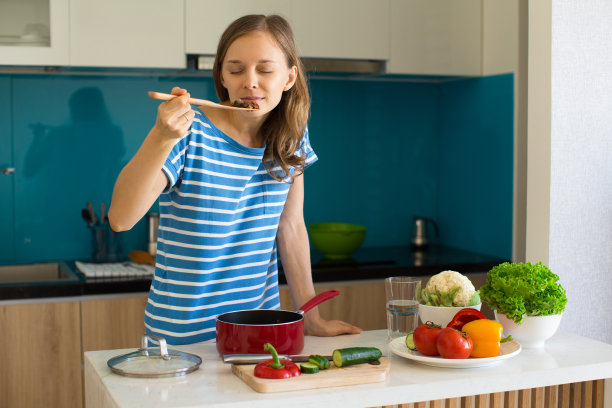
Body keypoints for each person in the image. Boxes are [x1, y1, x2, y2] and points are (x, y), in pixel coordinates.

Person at [108, 14, 362, 345]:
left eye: (265, 70)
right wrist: (160, 137)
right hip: (183, 340)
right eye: (236, 69)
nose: (250, 82)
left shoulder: (291, 135)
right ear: (222, 78)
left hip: (259, 334)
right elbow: (120, 219)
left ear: (289, 77)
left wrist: (310, 318)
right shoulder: (189, 132)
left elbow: (291, 226)